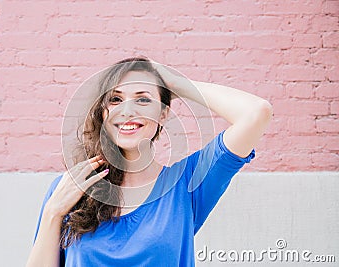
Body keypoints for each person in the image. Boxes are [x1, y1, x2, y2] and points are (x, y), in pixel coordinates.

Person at [26, 57, 273, 267]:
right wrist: (53, 212)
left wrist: (177, 83)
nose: (127, 111)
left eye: (143, 99)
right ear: (104, 112)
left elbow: (256, 112)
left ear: (163, 113)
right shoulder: (70, 188)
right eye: (115, 99)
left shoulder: (187, 184)